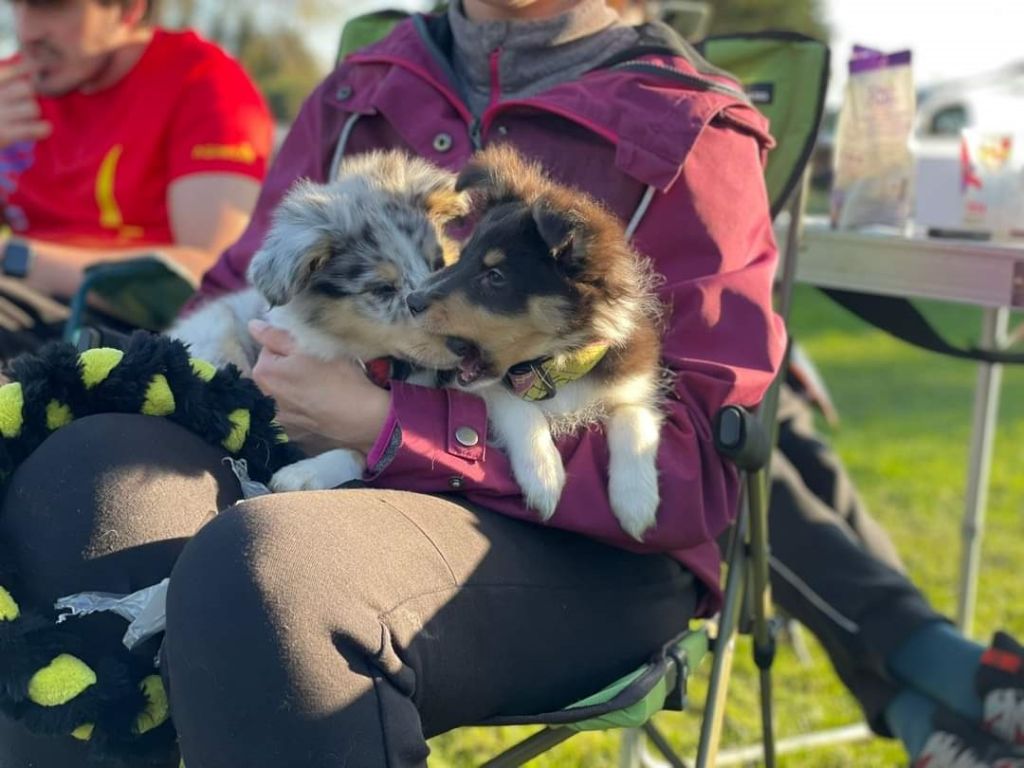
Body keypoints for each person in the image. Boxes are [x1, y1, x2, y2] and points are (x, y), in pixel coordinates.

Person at [0, 0, 784, 765]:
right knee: (72, 478)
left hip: (577, 548)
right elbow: (242, 285)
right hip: (310, 474)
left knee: (267, 570)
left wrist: (390, 422)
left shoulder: (688, 123)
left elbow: (700, 474)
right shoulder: (365, 84)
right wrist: (265, 362)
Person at [0, 0, 273, 357]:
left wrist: (17, 257)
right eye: (15, 5)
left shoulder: (203, 83)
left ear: (129, 11)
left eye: (53, 7)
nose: (27, 31)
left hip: (129, 329)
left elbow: (214, 273)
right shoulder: (12, 89)